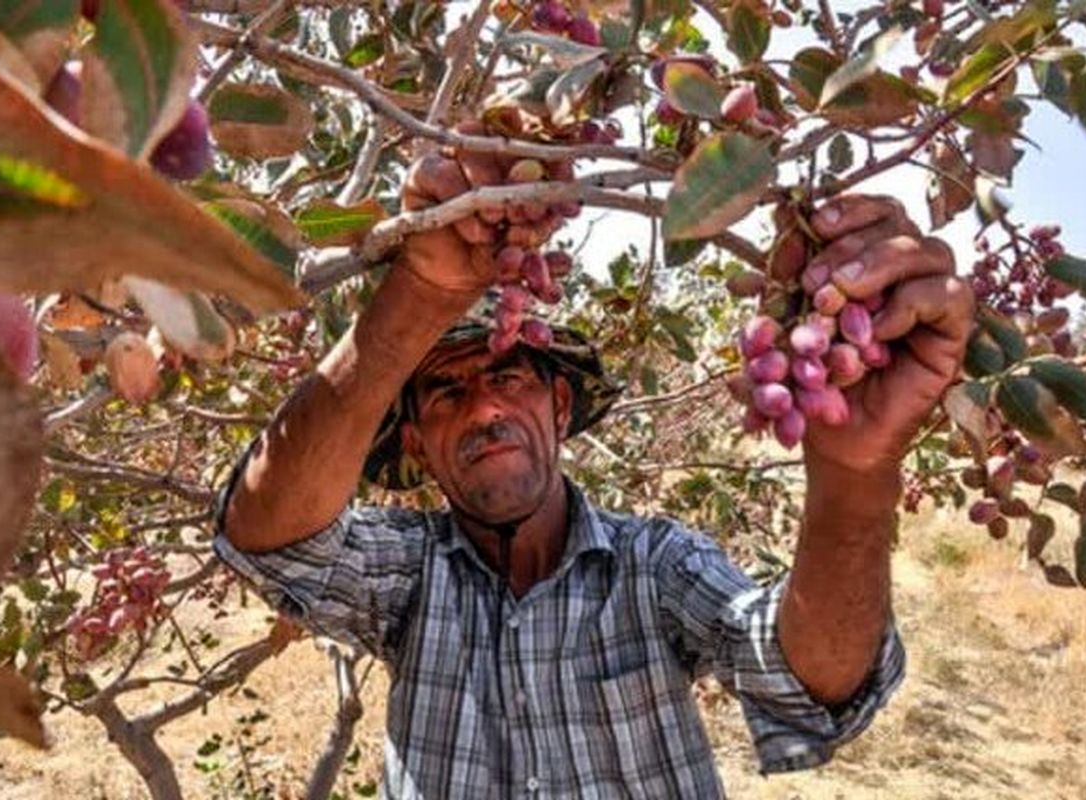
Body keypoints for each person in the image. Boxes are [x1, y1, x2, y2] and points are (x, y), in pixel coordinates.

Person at [212, 144, 975, 798]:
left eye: (510, 377)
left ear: (558, 404)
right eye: (447, 391)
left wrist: (854, 472)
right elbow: (269, 536)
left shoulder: (656, 565)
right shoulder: (411, 574)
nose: (482, 411)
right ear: (414, 442)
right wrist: (420, 294)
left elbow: (810, 686)